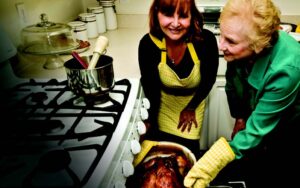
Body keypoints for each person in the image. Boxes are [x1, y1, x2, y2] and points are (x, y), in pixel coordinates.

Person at [184, 0, 300, 187]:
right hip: (258, 121)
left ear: (258, 46)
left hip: (287, 133)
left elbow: (256, 132)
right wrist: (240, 117)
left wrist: (209, 165)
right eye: (222, 35)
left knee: (276, 172)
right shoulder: (241, 48)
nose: (221, 46)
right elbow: (233, 83)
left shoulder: (287, 70)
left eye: (230, 41)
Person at [138, 0, 219, 158]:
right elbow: (151, 89)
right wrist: (149, 123)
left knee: (187, 156)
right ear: (156, 13)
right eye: (168, 14)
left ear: (192, 15)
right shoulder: (148, 45)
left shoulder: (205, 41)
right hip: (161, 105)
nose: (175, 24)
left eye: (182, 16)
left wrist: (190, 108)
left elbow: (209, 79)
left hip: (193, 103)